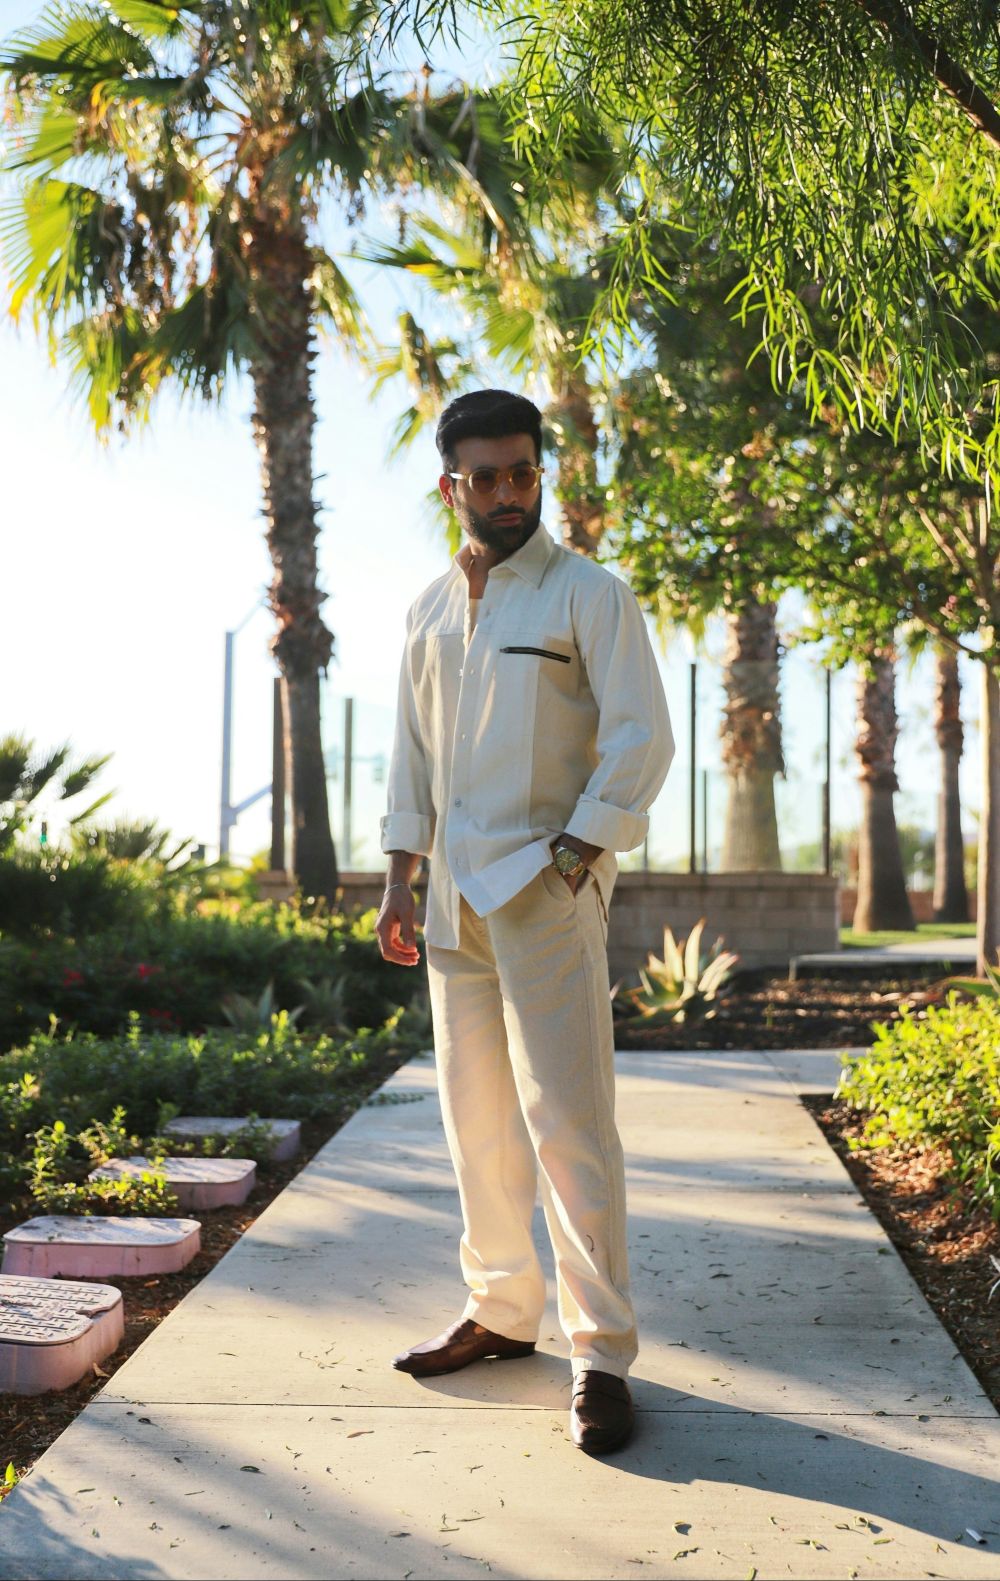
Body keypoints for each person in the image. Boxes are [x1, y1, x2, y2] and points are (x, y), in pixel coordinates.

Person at [376, 388, 674, 1455]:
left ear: (539, 474)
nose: (507, 493)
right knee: (477, 1125)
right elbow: (408, 754)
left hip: (543, 900)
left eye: (522, 472)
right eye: (485, 476)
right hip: (451, 905)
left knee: (570, 1128)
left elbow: (642, 736)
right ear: (449, 485)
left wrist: (576, 855)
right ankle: (502, 1312)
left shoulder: (590, 595)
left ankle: (600, 1353)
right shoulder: (424, 610)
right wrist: (398, 879)